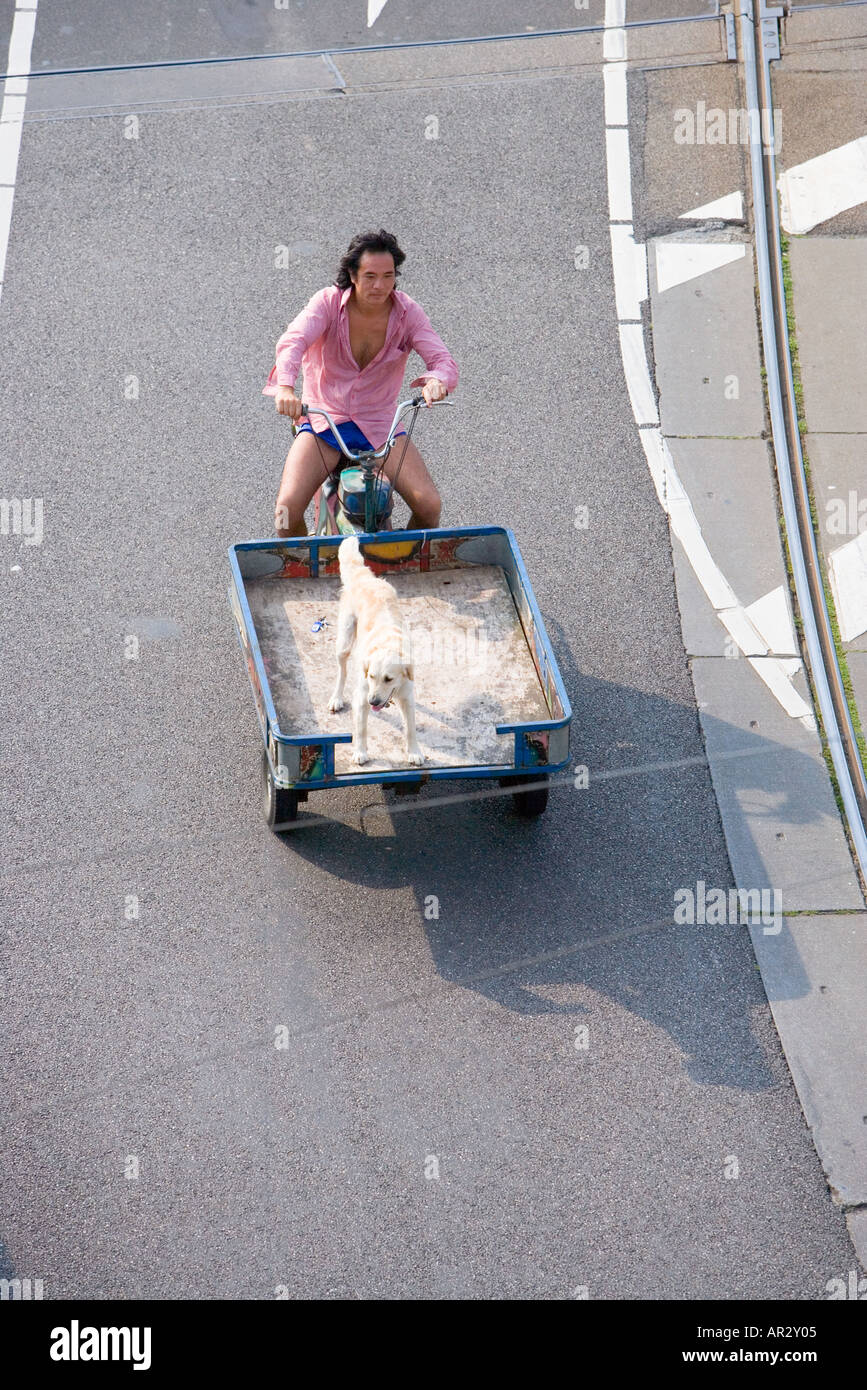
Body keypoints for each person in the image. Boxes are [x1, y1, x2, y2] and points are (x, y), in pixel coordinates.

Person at [263, 229, 459, 536]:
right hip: (325, 423)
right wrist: (286, 388)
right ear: (352, 275)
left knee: (429, 505)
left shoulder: (408, 313)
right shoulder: (327, 303)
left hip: (380, 426)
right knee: (285, 510)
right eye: (369, 276)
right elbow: (293, 341)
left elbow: (443, 361)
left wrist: (436, 381)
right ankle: (304, 566)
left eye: (388, 275)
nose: (379, 285)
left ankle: (404, 561)